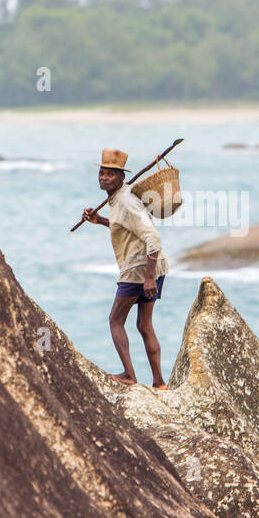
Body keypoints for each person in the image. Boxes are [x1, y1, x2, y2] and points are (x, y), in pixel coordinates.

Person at [82, 148, 170, 389]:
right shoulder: (120, 198)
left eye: (110, 174)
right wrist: (98, 220)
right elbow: (125, 226)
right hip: (155, 266)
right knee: (144, 325)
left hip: (140, 269)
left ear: (121, 177)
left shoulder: (127, 202)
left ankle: (129, 375)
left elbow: (153, 238)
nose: (103, 177)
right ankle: (159, 382)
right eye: (101, 173)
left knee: (115, 320)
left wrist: (148, 278)